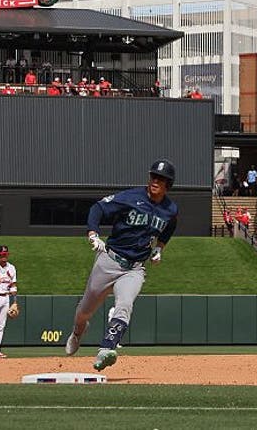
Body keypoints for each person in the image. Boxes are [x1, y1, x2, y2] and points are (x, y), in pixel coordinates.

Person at [66, 159, 179, 372]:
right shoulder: (130, 197)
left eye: (161, 178)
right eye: (154, 176)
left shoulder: (170, 209)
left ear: (168, 184)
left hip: (135, 268)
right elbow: (98, 208)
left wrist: (160, 248)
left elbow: (169, 228)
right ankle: (78, 332)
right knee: (85, 311)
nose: (156, 180)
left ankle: (106, 349)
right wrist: (93, 232)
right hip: (110, 260)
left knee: (125, 304)